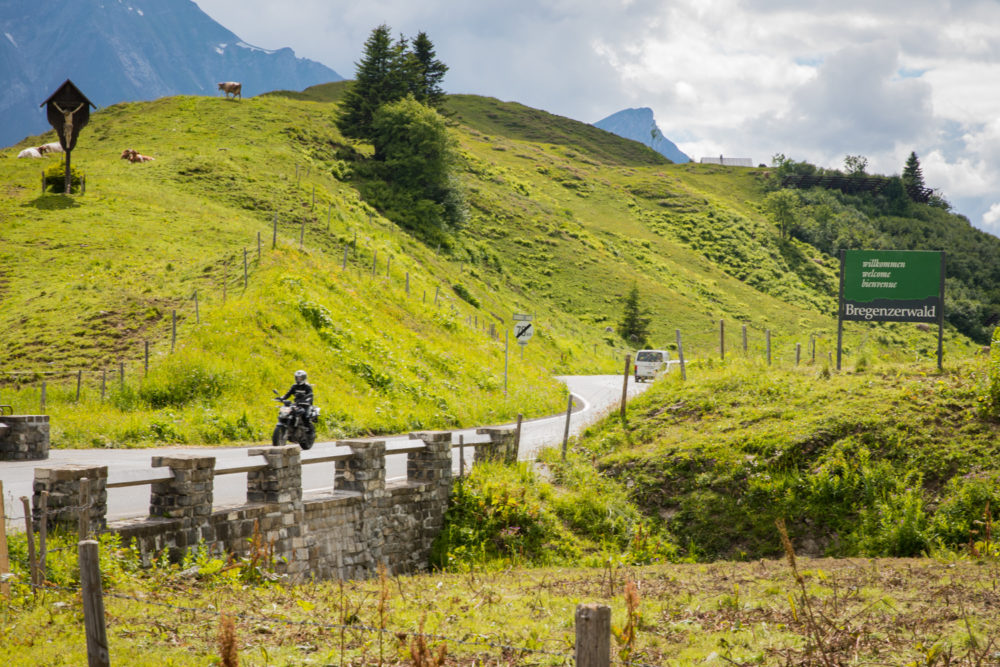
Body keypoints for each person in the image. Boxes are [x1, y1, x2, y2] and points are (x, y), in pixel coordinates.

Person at [280, 370, 315, 435]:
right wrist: (282, 398)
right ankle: (291, 426)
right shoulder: (294, 386)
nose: (299, 379)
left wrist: (307, 400)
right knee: (289, 412)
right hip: (297, 404)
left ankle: (310, 432)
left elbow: (311, 395)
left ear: (304, 378)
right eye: (297, 378)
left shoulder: (307, 386)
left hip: (306, 404)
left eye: (300, 378)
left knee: (306, 416)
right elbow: (288, 394)